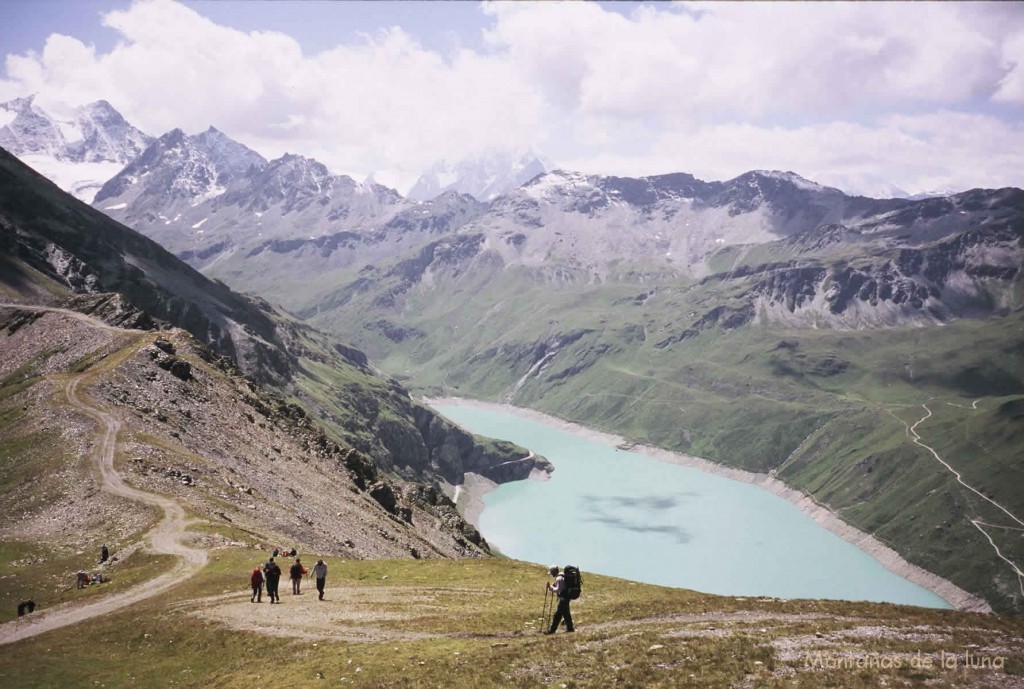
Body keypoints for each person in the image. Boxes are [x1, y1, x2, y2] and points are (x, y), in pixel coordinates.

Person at [544, 565, 574, 634]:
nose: (551, 574)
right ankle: (570, 628)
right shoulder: (562, 576)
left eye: (551, 572)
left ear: (554, 571)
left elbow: (558, 590)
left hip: (563, 598)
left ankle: (552, 630)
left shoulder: (559, 578)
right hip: (566, 598)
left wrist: (551, 588)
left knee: (557, 615)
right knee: (564, 614)